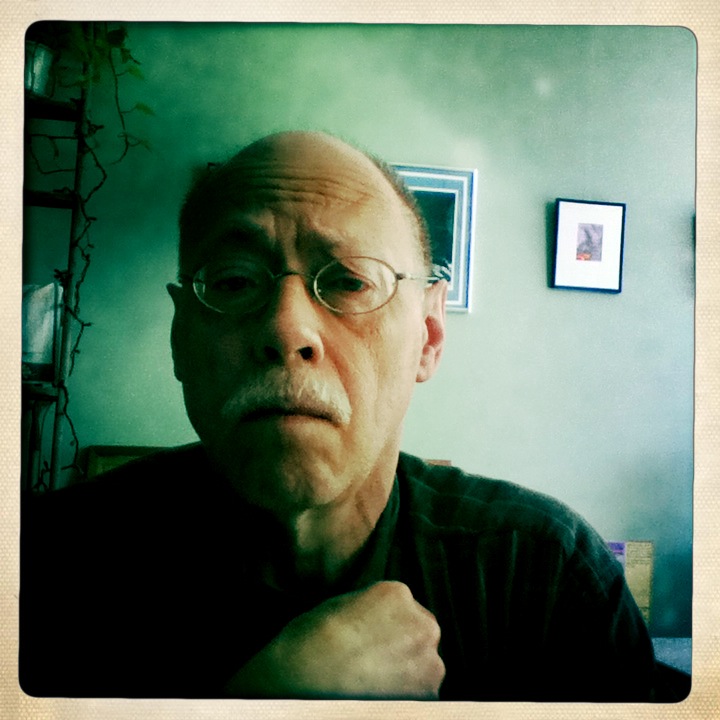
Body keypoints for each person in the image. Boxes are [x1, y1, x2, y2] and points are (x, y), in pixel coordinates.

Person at [21, 131, 659, 701]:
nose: (287, 329)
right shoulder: (44, 569)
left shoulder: (546, 576)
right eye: (235, 280)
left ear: (429, 336)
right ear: (180, 337)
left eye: (351, 281)